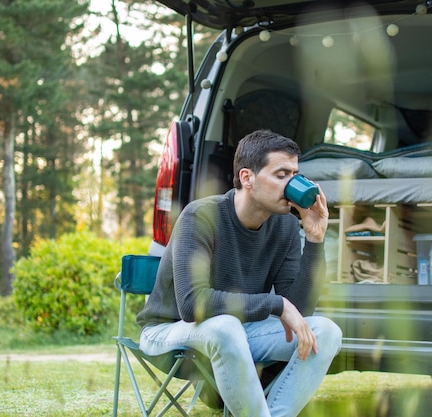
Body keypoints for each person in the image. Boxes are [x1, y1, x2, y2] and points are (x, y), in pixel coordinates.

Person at [137, 129, 343, 417]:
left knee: (327, 331)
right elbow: (191, 305)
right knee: (225, 326)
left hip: (233, 331)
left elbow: (300, 313)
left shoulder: (284, 226)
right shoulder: (201, 216)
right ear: (247, 178)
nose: (293, 183)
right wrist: (276, 304)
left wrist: (315, 240)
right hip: (166, 331)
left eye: (296, 174)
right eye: (281, 174)